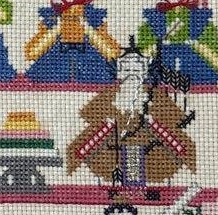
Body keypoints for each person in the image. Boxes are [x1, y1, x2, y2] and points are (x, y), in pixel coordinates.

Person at [67, 43, 197, 192]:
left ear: (144, 72)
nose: (132, 75)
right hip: (113, 152)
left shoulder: (155, 95)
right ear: (119, 72)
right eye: (127, 70)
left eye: (136, 70)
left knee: (171, 152)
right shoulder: (108, 95)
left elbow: (175, 120)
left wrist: (154, 122)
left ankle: (153, 186)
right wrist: (107, 123)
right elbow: (89, 116)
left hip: (150, 150)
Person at [24, 0, 119, 83]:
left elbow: (111, 52)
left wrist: (87, 28)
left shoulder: (93, 17)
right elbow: (32, 52)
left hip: (90, 65)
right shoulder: (51, 16)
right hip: (54, 65)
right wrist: (57, 28)